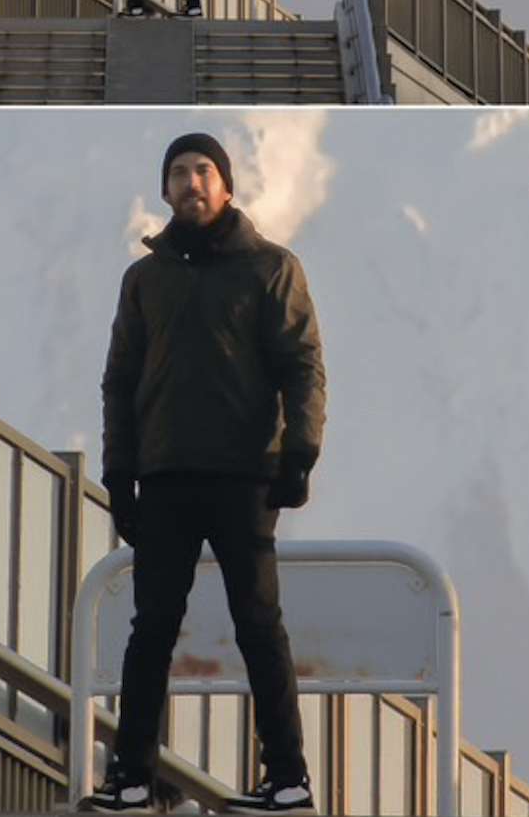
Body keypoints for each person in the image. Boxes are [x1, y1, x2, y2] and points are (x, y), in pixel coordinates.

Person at [86, 133, 326, 813]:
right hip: (163, 475)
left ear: (225, 185)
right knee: (151, 630)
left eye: (202, 170)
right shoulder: (144, 279)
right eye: (178, 172)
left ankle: (288, 780)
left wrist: (299, 456)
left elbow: (301, 366)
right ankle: (129, 780)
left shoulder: (269, 268)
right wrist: (119, 474)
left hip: (245, 476)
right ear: (164, 190)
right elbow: (120, 380)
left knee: (258, 625)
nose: (191, 182)